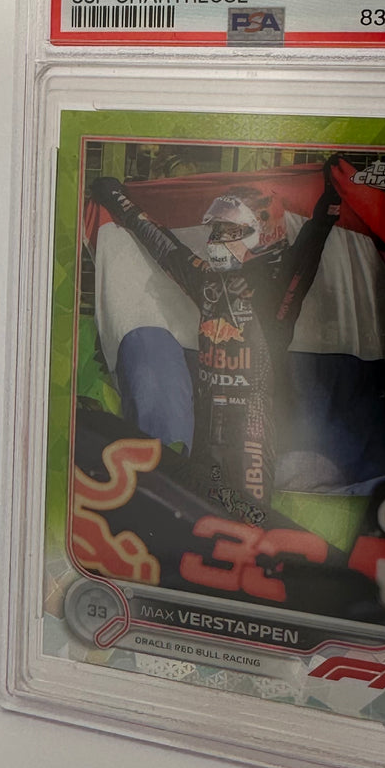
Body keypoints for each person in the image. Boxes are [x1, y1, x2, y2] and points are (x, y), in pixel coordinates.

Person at [90, 157, 342, 526]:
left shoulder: (276, 290)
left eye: (227, 231)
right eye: (215, 231)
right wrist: (117, 199)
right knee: (193, 520)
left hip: (251, 435)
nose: (215, 241)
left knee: (249, 528)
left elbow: (309, 247)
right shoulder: (207, 281)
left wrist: (330, 204)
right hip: (207, 429)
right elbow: (161, 243)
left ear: (261, 232)